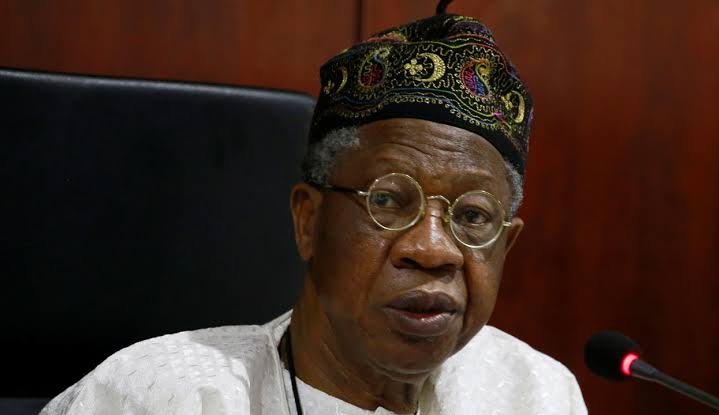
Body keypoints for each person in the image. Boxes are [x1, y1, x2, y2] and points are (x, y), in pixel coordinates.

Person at [42, 2, 587, 414]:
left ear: (505, 244)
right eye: (388, 201)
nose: (432, 249)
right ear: (309, 220)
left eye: (471, 216)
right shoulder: (157, 397)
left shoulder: (537, 394)